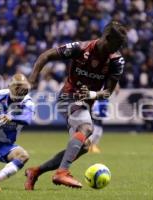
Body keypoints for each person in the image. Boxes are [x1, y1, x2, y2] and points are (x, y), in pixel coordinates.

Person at [25, 21, 127, 189]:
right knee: (87, 128)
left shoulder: (117, 61)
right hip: (67, 97)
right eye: (117, 44)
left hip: (85, 103)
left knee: (83, 146)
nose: (119, 49)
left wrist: (92, 94)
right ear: (107, 38)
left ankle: (35, 172)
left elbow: (107, 92)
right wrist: (32, 80)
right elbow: (46, 55)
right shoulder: (81, 48)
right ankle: (62, 172)